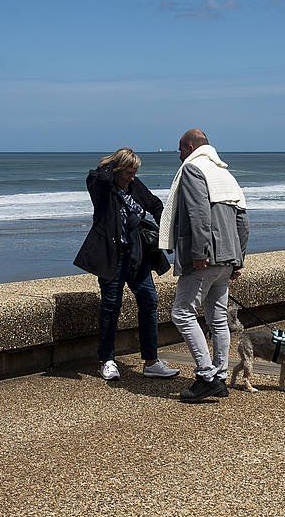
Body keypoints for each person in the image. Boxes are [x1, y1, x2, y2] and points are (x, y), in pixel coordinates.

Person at [73, 148, 180, 381]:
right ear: (118, 169)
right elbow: (96, 176)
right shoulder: (103, 187)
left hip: (137, 255)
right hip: (112, 256)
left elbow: (155, 204)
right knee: (111, 306)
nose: (132, 177)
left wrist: (165, 235)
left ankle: (151, 361)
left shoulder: (135, 186)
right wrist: (111, 165)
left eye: (135, 172)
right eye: (128, 172)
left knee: (149, 300)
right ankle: (107, 359)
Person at [158, 129, 249, 403]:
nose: (179, 155)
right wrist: (239, 258)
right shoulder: (226, 173)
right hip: (227, 257)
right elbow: (242, 220)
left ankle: (207, 376)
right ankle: (220, 375)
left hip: (204, 258)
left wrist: (199, 252)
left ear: (189, 147)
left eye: (179, 149)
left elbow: (198, 213)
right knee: (218, 317)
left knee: (182, 313)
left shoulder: (193, 169)